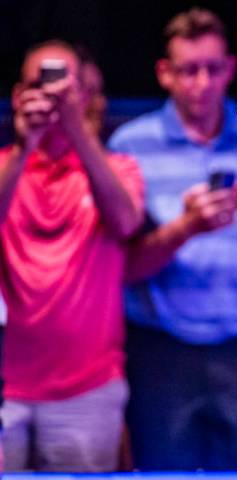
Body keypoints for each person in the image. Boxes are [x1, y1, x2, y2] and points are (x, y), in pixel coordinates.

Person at [108, 8, 237, 470]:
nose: (202, 82)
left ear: (230, 68)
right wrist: (184, 228)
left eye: (213, 68)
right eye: (189, 70)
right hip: (163, 349)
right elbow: (124, 268)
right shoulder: (131, 144)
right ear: (165, 73)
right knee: (162, 473)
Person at [0, 40, 144, 471]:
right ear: (17, 95)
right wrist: (27, 146)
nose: (51, 93)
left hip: (86, 388)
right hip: (7, 388)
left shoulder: (117, 167)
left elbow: (126, 222)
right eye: (37, 84)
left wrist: (76, 128)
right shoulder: (6, 165)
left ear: (85, 94)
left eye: (66, 85)